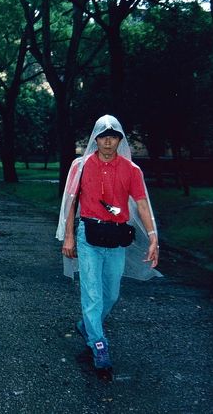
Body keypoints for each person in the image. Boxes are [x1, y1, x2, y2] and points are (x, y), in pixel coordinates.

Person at [56, 114, 160, 373]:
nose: (108, 142)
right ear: (96, 138)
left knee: (110, 294)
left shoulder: (132, 170)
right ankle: (98, 344)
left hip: (116, 237)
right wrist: (69, 236)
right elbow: (70, 205)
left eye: (113, 137)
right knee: (92, 294)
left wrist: (153, 236)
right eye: (103, 137)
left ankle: (87, 326)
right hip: (88, 235)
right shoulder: (79, 167)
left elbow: (142, 203)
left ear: (119, 140)